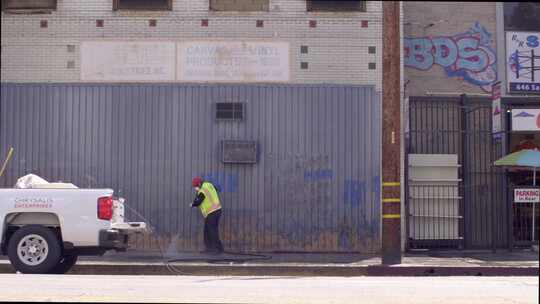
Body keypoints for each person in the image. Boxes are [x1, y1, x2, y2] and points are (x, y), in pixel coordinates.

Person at [191, 176, 224, 254]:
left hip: (212, 212)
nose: (195, 188)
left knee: (211, 231)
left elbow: (198, 202)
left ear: (199, 184)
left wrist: (192, 204)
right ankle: (211, 248)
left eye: (196, 186)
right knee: (208, 231)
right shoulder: (209, 184)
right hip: (217, 211)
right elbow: (217, 189)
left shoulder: (202, 190)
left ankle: (216, 249)